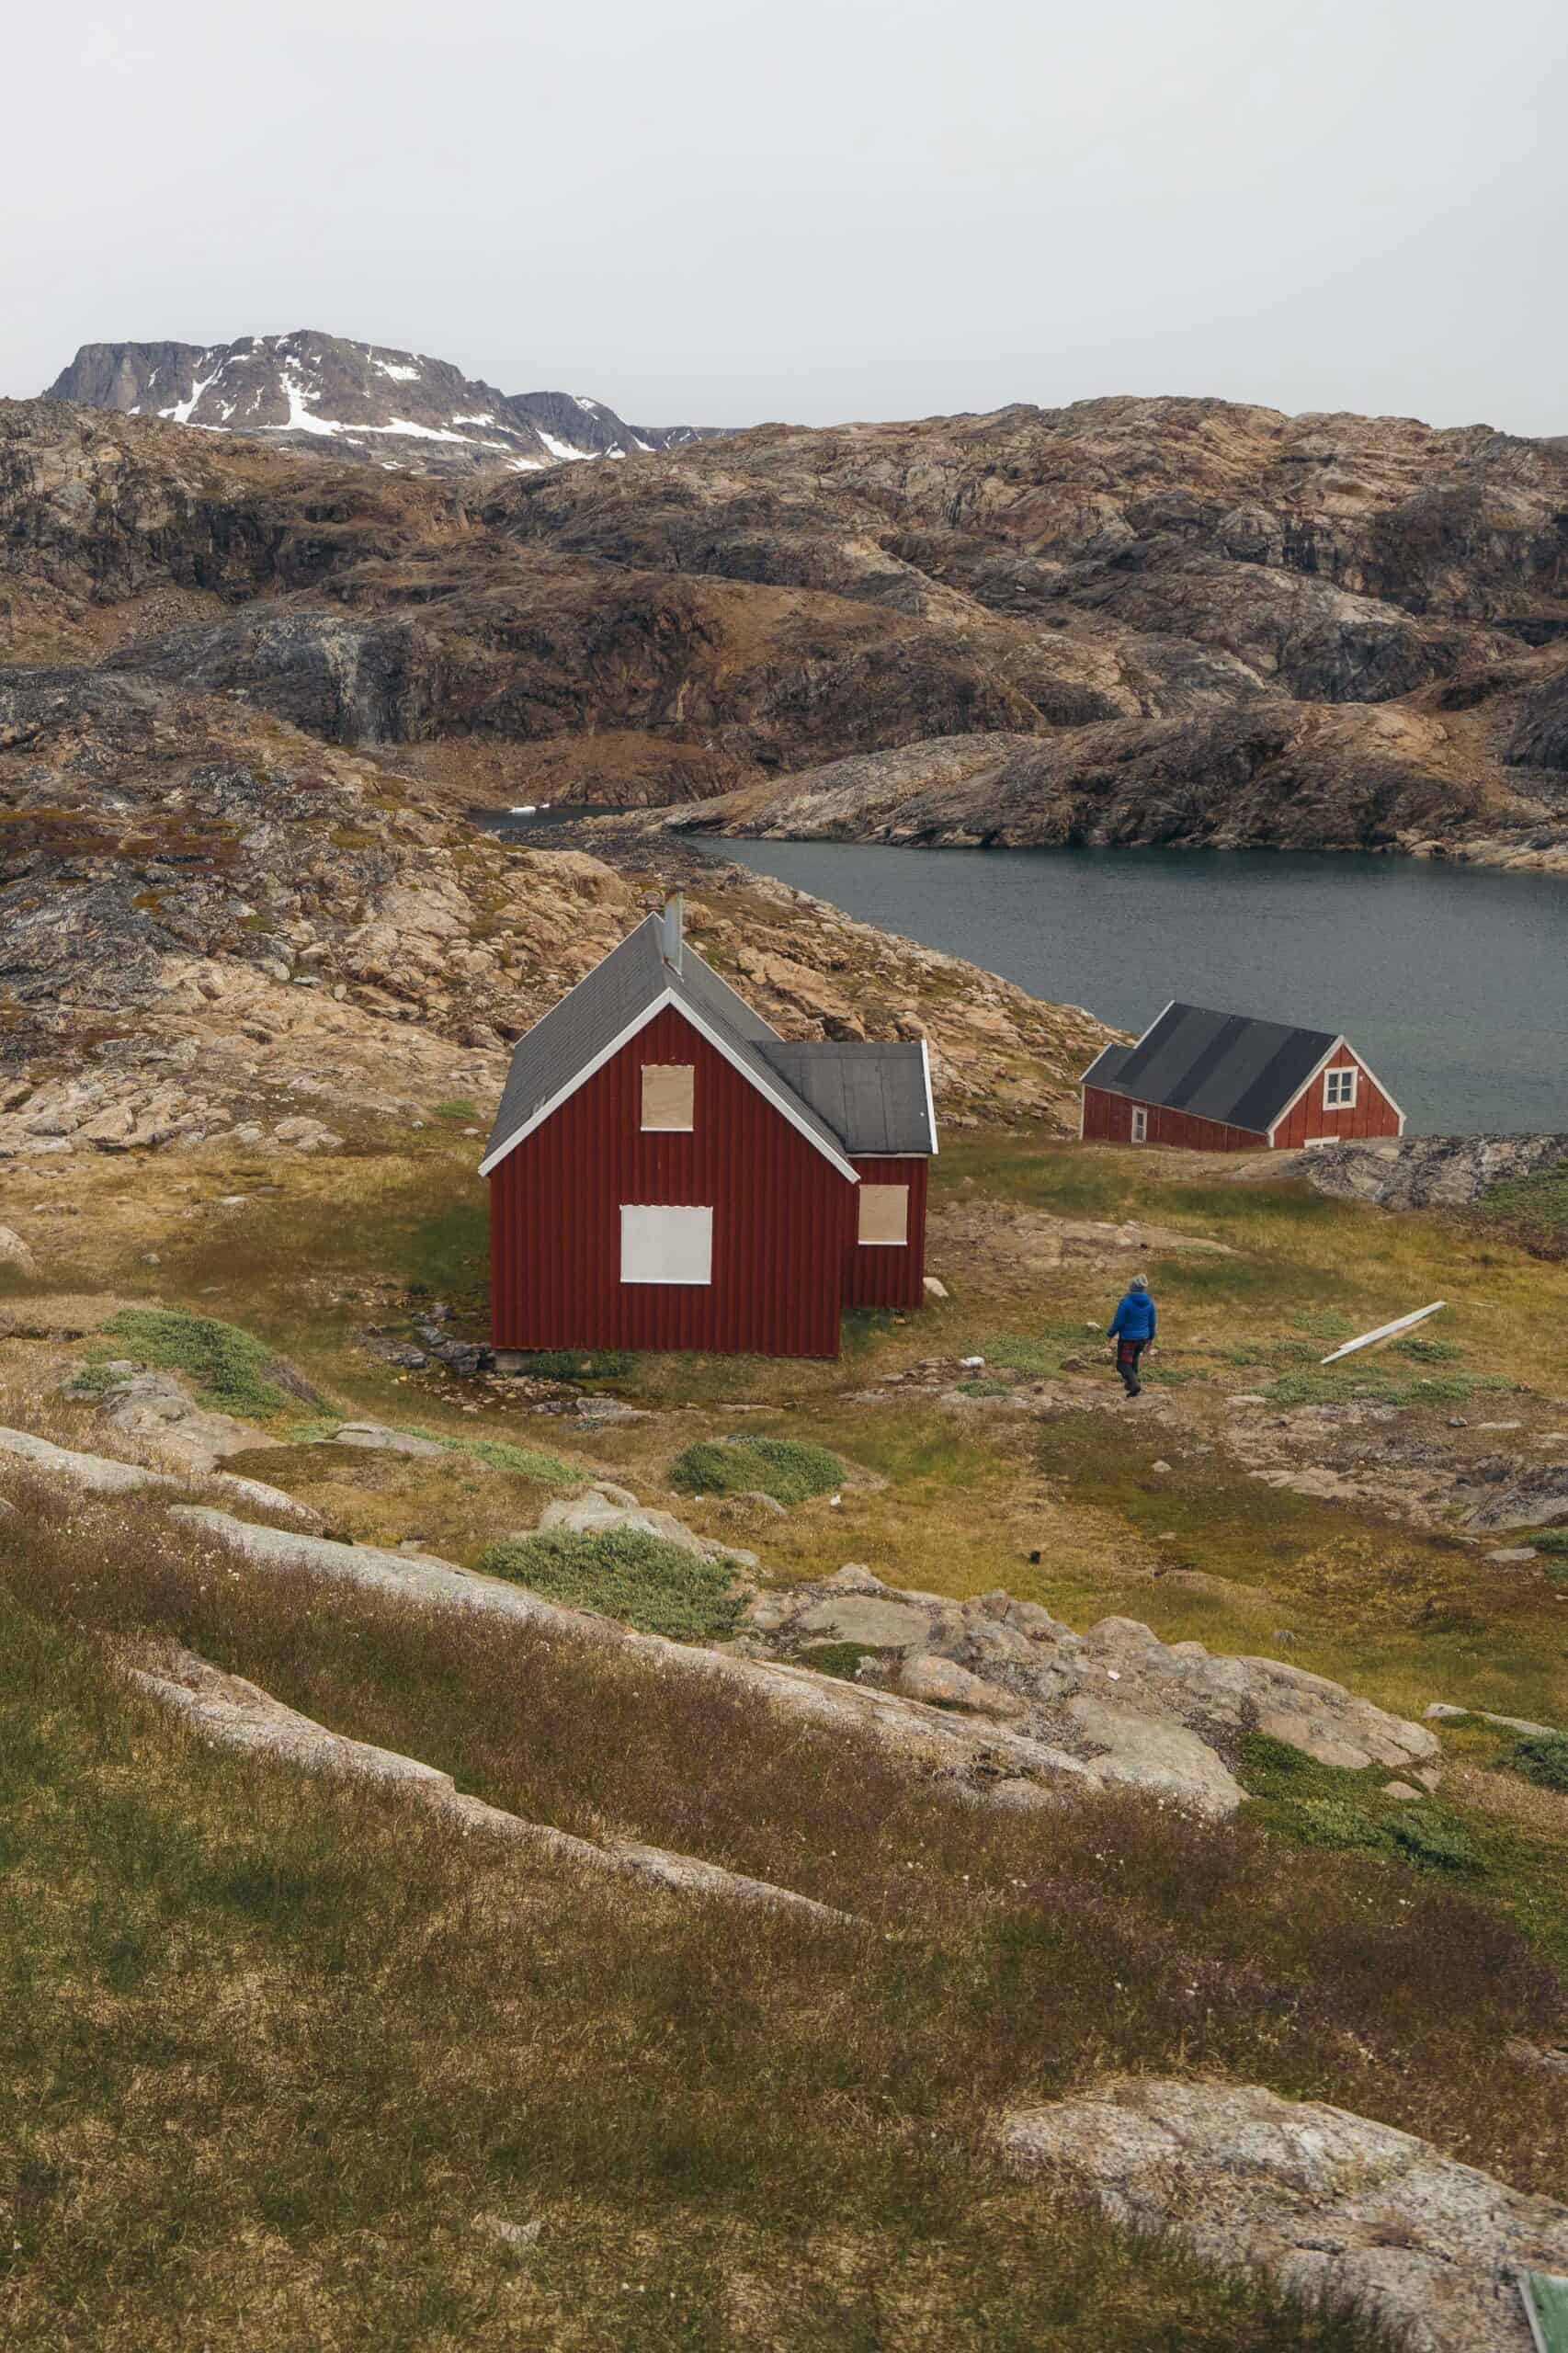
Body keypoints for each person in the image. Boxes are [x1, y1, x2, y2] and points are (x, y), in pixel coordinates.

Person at [1107, 1274, 1156, 1396]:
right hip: (1143, 1338)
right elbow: (1152, 1322)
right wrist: (1151, 1338)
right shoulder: (1149, 1302)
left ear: (1132, 1287)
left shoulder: (1126, 1302)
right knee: (1133, 1360)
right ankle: (1131, 1386)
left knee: (1122, 1364)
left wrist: (1110, 1334)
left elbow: (1119, 1322)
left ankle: (1134, 1385)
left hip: (1128, 1339)